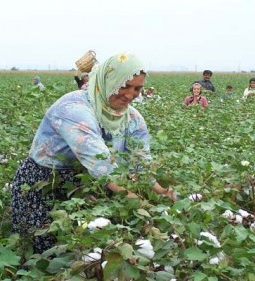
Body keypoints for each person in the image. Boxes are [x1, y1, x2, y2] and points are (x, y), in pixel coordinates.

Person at [11, 53, 177, 254]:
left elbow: (141, 161)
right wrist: (140, 203)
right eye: (124, 86)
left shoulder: (132, 118)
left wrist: (161, 192)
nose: (130, 94)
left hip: (89, 186)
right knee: (43, 252)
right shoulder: (73, 108)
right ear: (108, 81)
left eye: (137, 88)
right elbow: (102, 165)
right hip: (44, 184)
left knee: (88, 252)